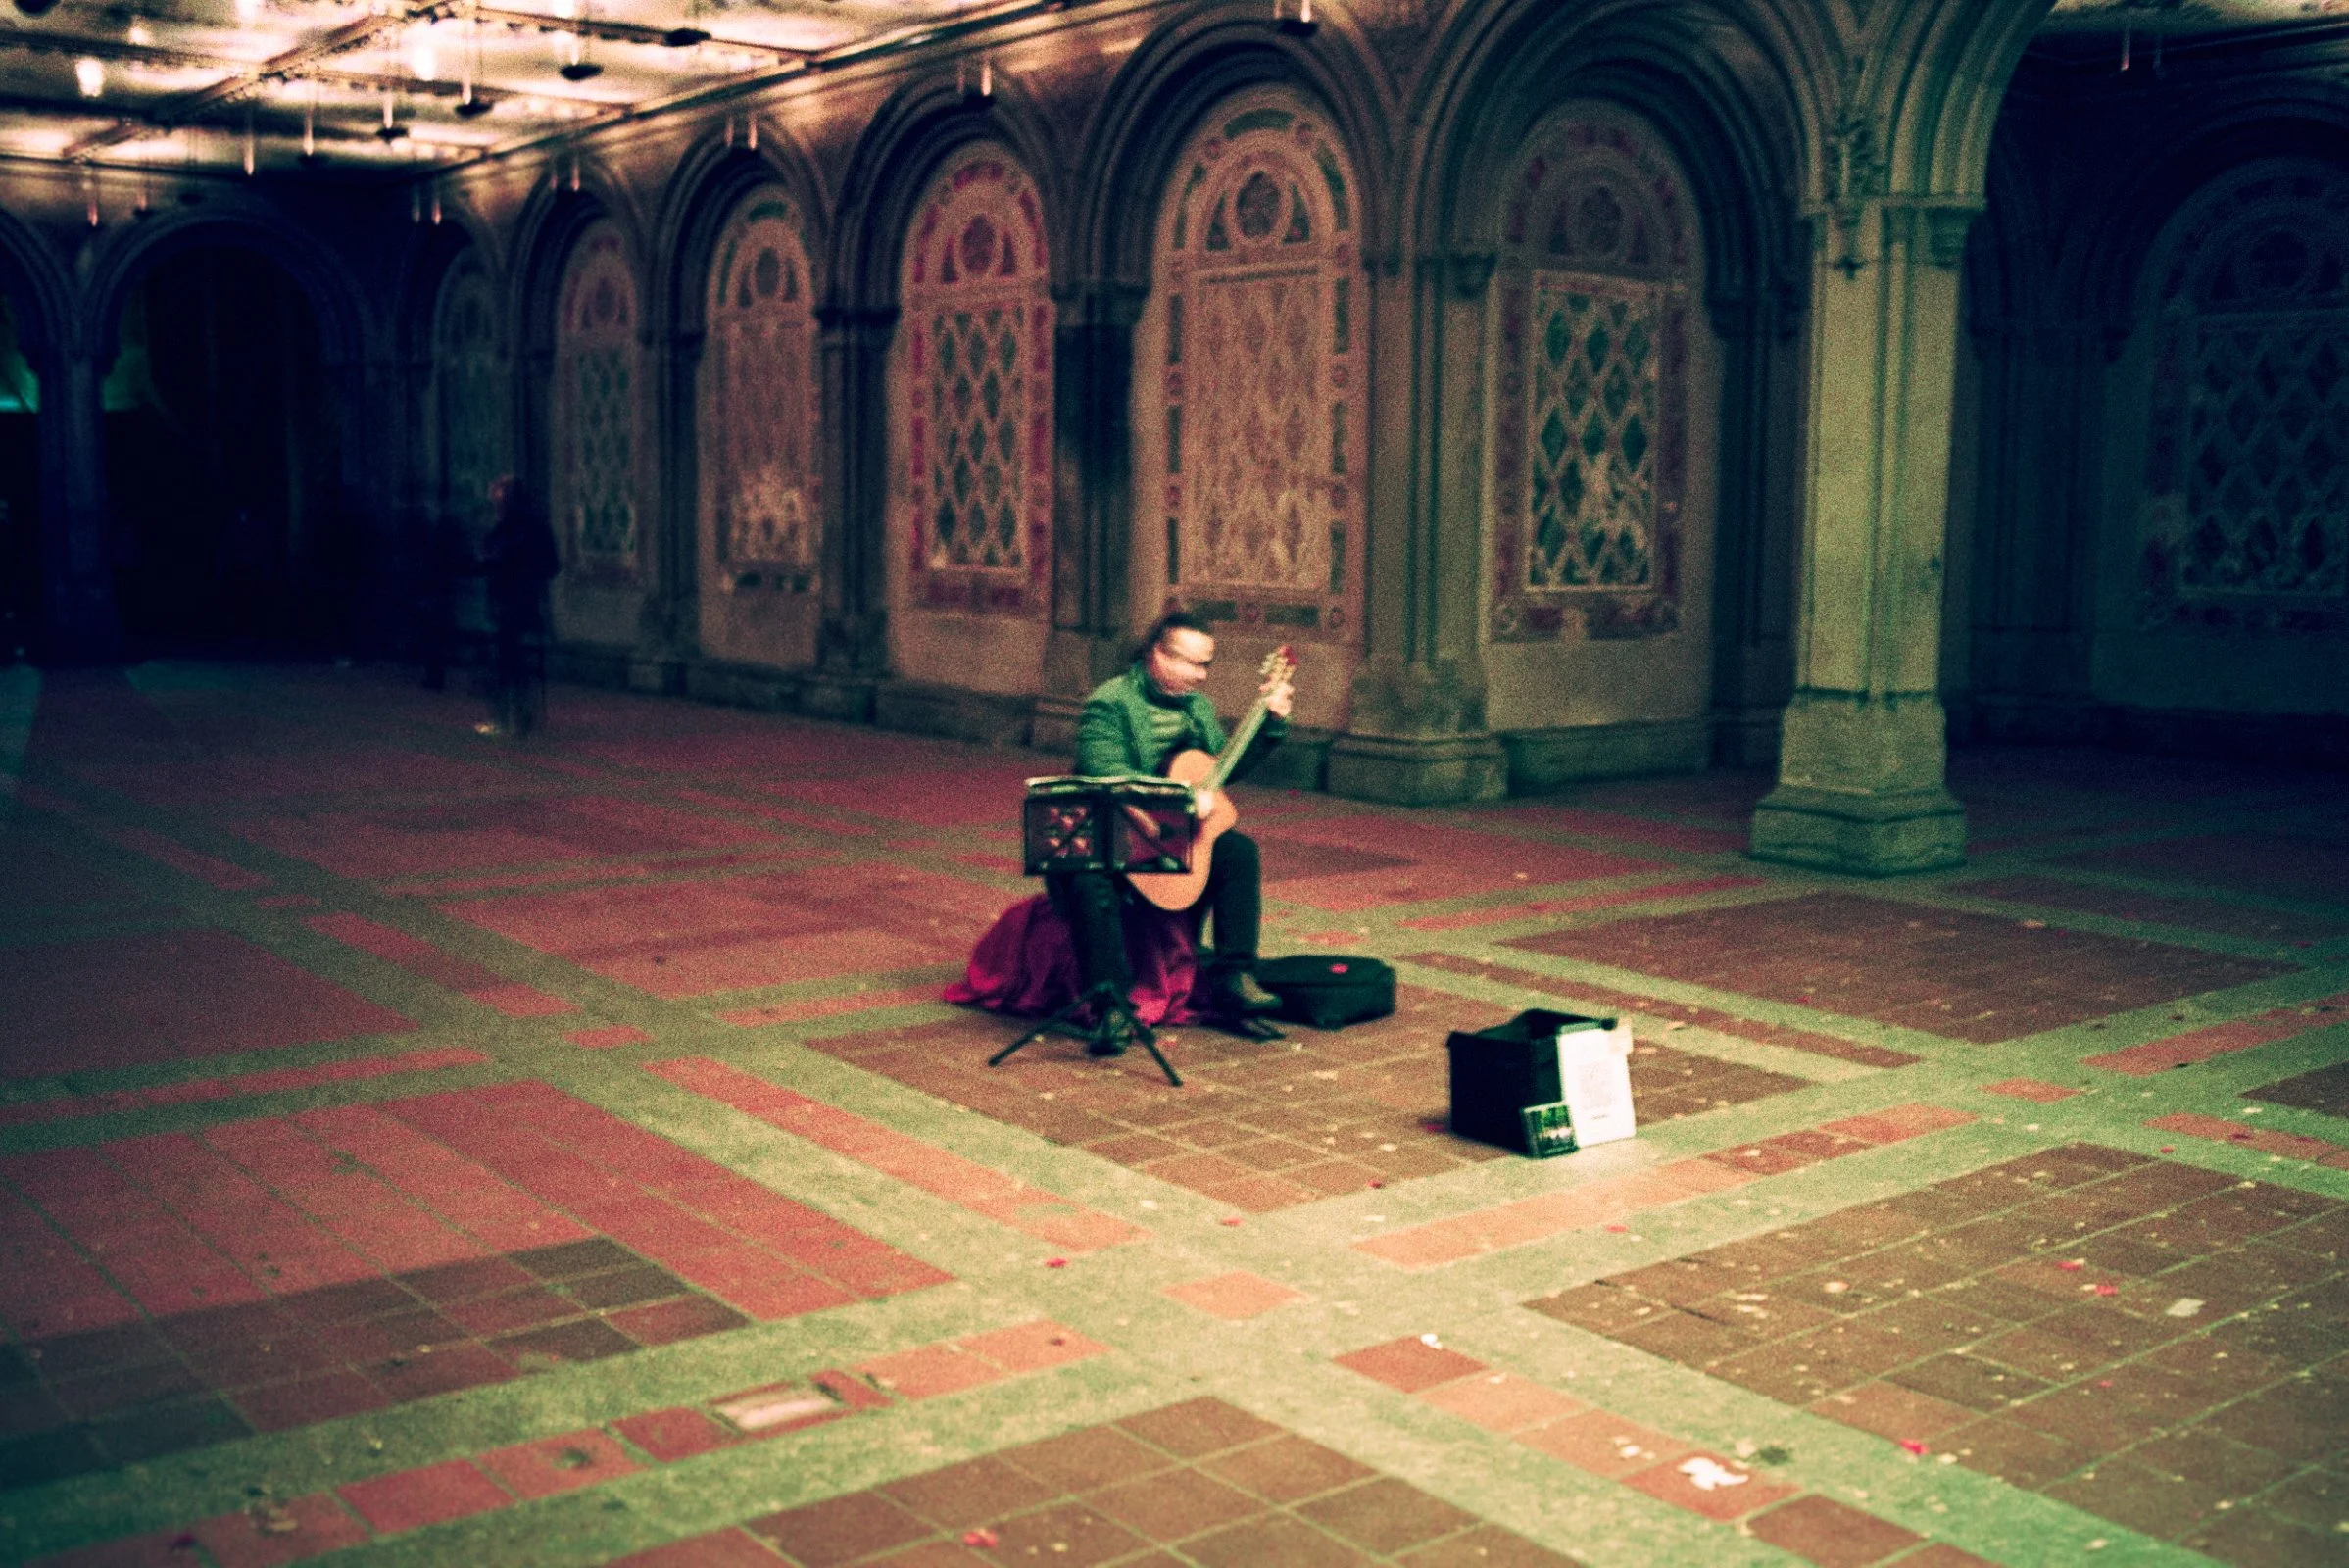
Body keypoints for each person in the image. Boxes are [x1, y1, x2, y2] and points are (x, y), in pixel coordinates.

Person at [1052, 612, 1294, 1048]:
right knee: (1089, 877)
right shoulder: (1110, 703)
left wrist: (1269, 724)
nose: (1196, 676)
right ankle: (1112, 1008)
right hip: (1117, 829)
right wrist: (1181, 803)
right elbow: (1105, 775)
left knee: (1238, 852)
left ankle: (1234, 979)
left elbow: (1219, 770)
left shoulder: (1197, 708)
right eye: (1186, 662)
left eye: (1204, 665)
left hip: (1170, 836)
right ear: (1153, 653)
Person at [478, 474, 559, 737]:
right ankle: (521, 719)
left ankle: (506, 719)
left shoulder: (510, 527)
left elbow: (490, 558)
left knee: (506, 661)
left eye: (498, 495)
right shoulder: (535, 525)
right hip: (526, 600)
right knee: (514, 660)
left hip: (510, 599)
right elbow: (552, 565)